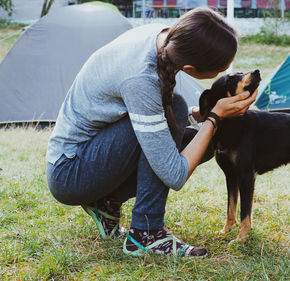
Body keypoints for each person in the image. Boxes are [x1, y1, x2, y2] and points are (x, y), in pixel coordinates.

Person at [45, 7, 257, 257]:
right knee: (182, 113)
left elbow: (158, 114)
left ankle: (105, 201)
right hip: (71, 172)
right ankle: (146, 232)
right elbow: (174, 174)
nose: (224, 72)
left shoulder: (166, 39)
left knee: (205, 142)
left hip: (97, 153)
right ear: (189, 68)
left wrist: (203, 116)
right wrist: (214, 116)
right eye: (220, 69)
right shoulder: (140, 78)